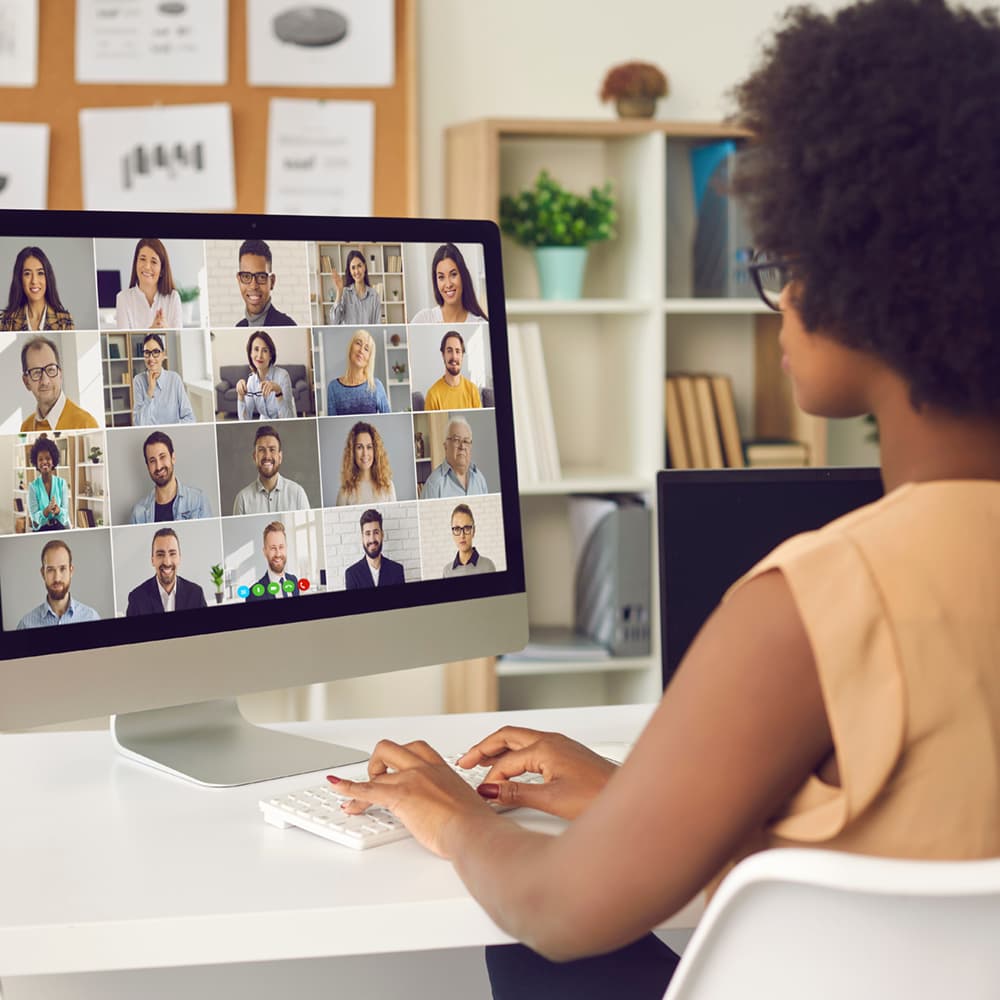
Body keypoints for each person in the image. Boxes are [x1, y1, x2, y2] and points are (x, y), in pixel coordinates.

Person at [329, 2, 1000, 996]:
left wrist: (448, 807)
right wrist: (621, 791)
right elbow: (905, 831)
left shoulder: (812, 601)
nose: (778, 304)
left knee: (527, 954)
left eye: (785, 264)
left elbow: (558, 910)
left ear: (864, 278)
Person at [129, 430, 212, 524]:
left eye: (162, 457)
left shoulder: (198, 501)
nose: (159, 467)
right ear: (148, 466)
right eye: (152, 461)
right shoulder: (138, 513)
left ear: (173, 458)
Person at [19, 336, 99, 432]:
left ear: (60, 374)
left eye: (51, 370)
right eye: (36, 372)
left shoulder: (86, 424)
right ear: (26, 382)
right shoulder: (25, 428)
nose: (45, 381)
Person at [16, 539, 100, 628]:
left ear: (71, 571)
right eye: (50, 570)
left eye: (62, 568)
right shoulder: (25, 625)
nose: (57, 578)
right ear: (42, 573)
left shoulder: (91, 618)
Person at [126, 527, 208, 615]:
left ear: (179, 558)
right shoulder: (136, 599)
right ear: (152, 560)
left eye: (172, 554)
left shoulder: (196, 594)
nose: (167, 562)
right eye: (160, 554)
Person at [232, 424, 311, 515]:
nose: (267, 456)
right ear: (255, 457)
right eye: (261, 450)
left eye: (272, 449)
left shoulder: (298, 494)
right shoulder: (242, 500)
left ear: (280, 457)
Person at [114, 238, 183, 331]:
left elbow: (178, 342)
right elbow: (124, 343)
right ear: (136, 264)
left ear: (162, 270)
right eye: (142, 259)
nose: (147, 266)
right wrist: (151, 331)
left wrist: (167, 330)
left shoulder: (173, 298)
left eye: (154, 262)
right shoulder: (123, 298)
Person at [409, 243, 488, 324]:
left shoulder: (480, 324)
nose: (448, 284)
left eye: (453, 274)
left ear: (463, 276)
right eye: (441, 277)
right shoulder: (424, 320)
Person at [1, 247, 74, 331]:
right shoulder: (6, 320)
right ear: (19, 279)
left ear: (47, 277)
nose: (34, 281)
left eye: (40, 273)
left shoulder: (64, 320)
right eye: (27, 274)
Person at [131, 333, 195, 426]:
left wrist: (171, 429)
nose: (151, 358)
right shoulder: (138, 381)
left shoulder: (174, 379)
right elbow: (138, 423)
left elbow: (190, 418)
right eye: (147, 353)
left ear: (163, 355)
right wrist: (150, 391)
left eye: (156, 352)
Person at [326, 328, 391, 415]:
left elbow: (388, 418)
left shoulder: (376, 386)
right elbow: (332, 424)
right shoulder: (333, 388)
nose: (361, 350)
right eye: (358, 343)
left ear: (369, 359)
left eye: (366, 349)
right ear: (350, 348)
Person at [235, 330, 296, 420]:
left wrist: (278, 392)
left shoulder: (283, 376)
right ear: (250, 353)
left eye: (265, 350)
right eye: (256, 349)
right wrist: (240, 396)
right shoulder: (251, 381)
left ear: (270, 355)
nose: (259, 355)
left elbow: (288, 418)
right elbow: (245, 419)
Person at [421, 417, 489, 498]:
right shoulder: (433, 485)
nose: (462, 446)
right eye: (456, 440)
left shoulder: (479, 479)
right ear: (445, 446)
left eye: (466, 441)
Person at [235, 239, 296, 327]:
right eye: (246, 276)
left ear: (272, 281)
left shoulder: (287, 325)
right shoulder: (239, 326)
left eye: (261, 277)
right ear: (239, 280)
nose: (253, 286)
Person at [335, 420, 397, 506]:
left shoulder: (388, 486)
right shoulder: (345, 491)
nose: (365, 453)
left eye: (369, 447)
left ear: (375, 451)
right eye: (359, 447)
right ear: (352, 452)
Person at [344, 508, 405, 589]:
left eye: (376, 532)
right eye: (367, 533)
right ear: (362, 537)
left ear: (382, 535)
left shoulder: (397, 570)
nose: (372, 539)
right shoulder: (352, 574)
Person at [424, 331, 482, 411]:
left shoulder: (473, 390)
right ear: (443, 355)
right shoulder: (433, 395)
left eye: (457, 351)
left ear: (462, 356)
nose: (454, 356)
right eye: (449, 351)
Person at [245, 521, 300, 601]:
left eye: (281, 547)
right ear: (265, 552)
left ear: (286, 548)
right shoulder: (253, 594)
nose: (278, 554)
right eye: (273, 548)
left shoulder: (293, 580)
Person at [26, 436, 71, 532]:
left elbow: (65, 514)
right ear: (36, 463)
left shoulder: (62, 483)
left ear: (53, 461)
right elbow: (34, 518)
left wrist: (58, 511)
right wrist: (46, 511)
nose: (44, 462)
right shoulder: (33, 487)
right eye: (40, 459)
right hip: (41, 531)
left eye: (48, 458)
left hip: (59, 528)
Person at [329, 249, 382, 326]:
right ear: (350, 271)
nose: (356, 271)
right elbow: (334, 322)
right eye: (353, 268)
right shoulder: (345, 294)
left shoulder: (374, 296)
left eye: (359, 266)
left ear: (365, 266)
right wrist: (339, 291)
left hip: (367, 338)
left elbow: (378, 326)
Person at [441, 503, 496, 577]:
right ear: (452, 533)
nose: (462, 535)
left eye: (467, 528)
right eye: (457, 529)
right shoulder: (447, 571)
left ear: (473, 531)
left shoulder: (488, 567)